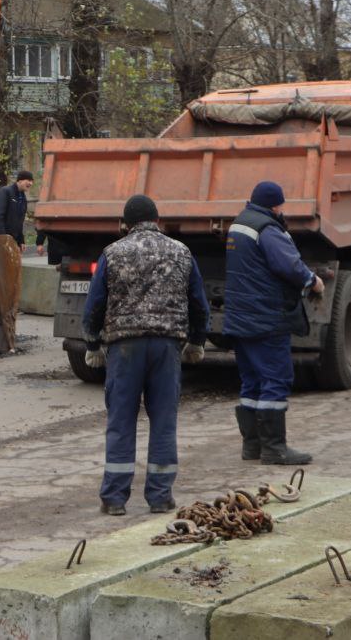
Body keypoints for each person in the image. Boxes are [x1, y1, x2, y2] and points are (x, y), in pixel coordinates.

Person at [81, 194, 210, 516]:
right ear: (157, 220)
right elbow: (199, 303)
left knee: (121, 421)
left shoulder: (113, 253)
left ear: (125, 224)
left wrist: (92, 344)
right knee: (164, 422)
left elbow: (95, 304)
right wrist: (196, 342)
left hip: (125, 348)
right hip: (167, 347)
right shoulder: (181, 252)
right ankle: (160, 496)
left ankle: (114, 499)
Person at [224, 181, 324, 465]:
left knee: (252, 381)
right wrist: (313, 281)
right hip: (266, 318)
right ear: (275, 205)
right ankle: (274, 448)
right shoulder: (268, 229)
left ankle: (252, 446)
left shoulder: (239, 225)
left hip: (241, 318)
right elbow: (288, 265)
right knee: (276, 379)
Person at [0, 170, 33, 249]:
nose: (31, 183)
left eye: (32, 181)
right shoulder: (5, 192)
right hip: (0, 239)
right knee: (0, 261)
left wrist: (21, 241)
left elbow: (19, 222)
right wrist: (3, 238)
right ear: (20, 180)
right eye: (28, 180)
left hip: (12, 241)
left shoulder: (23, 198)